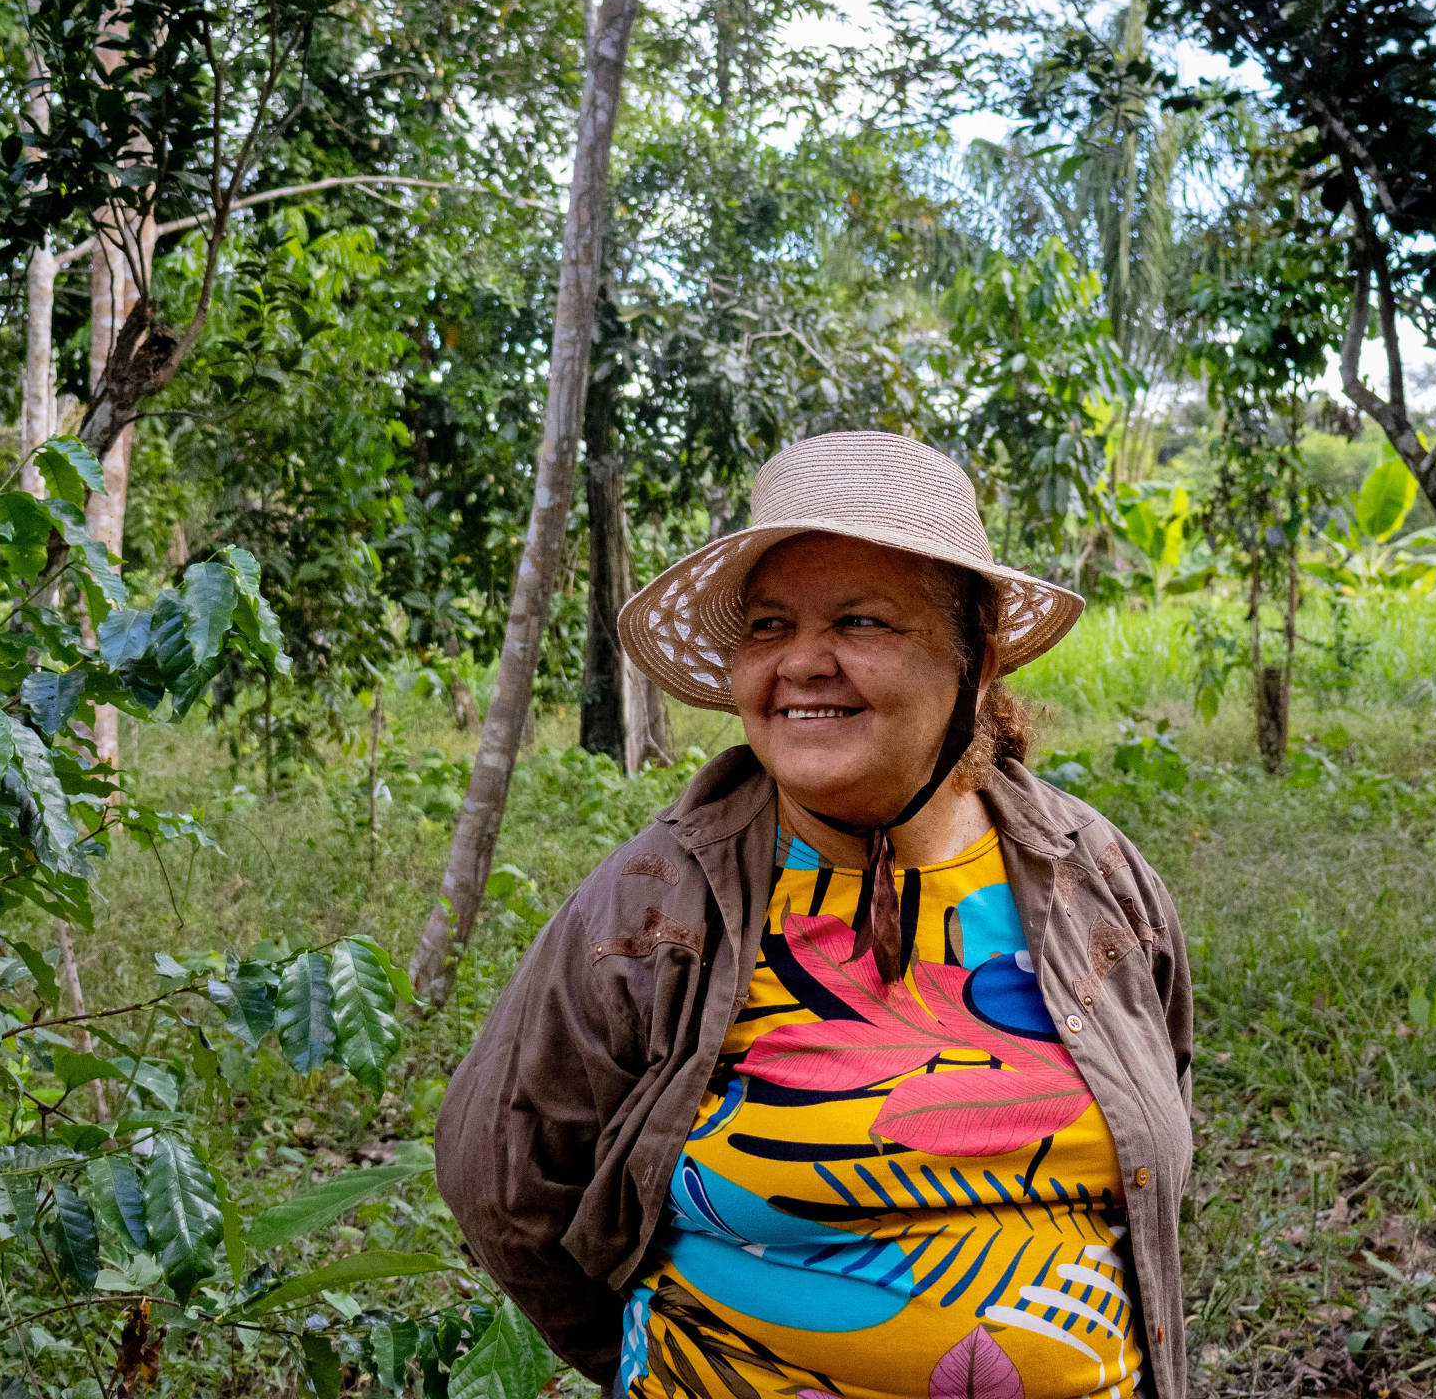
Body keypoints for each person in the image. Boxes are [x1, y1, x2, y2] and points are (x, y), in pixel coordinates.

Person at [437, 431, 1194, 1399]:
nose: (802, 663)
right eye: (767, 626)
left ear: (978, 652)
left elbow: (1155, 1118)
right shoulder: (651, 904)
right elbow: (497, 1176)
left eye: (863, 621)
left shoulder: (1093, 875)